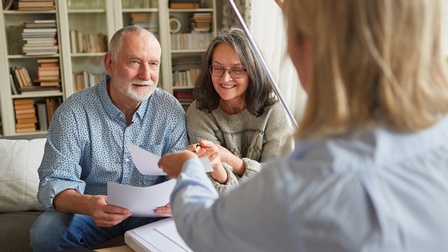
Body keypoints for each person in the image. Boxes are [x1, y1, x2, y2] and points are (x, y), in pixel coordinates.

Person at [158, 0, 448, 251]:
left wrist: (189, 170)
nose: (225, 78)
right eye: (218, 68)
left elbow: (205, 231)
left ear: (308, 45)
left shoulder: (305, 183)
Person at [30, 25, 189, 251]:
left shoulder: (169, 108)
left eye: (153, 63)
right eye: (134, 62)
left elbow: (182, 173)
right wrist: (87, 204)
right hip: (92, 211)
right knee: (45, 234)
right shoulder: (73, 112)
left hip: (153, 212)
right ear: (109, 64)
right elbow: (54, 182)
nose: (146, 75)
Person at [186, 27, 294, 194]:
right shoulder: (198, 112)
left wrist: (234, 162)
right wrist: (219, 168)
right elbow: (215, 189)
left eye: (237, 69)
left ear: (252, 71)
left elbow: (280, 179)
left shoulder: (273, 108)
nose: (225, 78)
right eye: (218, 68)